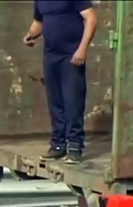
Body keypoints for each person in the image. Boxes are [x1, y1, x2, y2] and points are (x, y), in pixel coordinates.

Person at [25, 0, 97, 164]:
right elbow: (39, 21)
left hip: (71, 55)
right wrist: (30, 35)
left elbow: (91, 19)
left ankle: (74, 147)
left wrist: (82, 49)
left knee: (73, 101)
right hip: (51, 55)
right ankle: (58, 145)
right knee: (55, 102)